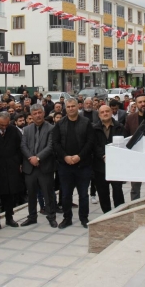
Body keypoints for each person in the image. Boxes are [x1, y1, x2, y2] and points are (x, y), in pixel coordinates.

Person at [52, 98, 95, 229]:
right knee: (65, 194)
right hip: (65, 166)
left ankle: (84, 218)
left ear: (78, 107)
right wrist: (65, 157)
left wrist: (79, 157)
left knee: (83, 194)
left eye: (73, 106)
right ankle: (67, 218)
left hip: (83, 165)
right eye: (68, 106)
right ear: (66, 108)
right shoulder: (60, 124)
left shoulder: (86, 122)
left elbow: (90, 142)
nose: (71, 108)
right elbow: (56, 143)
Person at [20, 104, 58, 227]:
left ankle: (51, 216)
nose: (37, 115)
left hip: (44, 166)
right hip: (30, 167)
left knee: (48, 193)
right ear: (31, 115)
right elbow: (23, 146)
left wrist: (38, 158)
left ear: (43, 113)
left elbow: (51, 146)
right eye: (35, 113)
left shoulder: (51, 128)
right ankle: (32, 216)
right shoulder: (26, 129)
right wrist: (31, 158)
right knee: (31, 194)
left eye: (39, 113)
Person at [0, 111, 24, 229]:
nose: (4, 127)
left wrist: (19, 162)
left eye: (6, 125)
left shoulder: (13, 130)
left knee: (10, 194)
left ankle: (9, 218)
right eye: (1, 125)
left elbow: (19, 148)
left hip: (11, 167)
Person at [92, 105, 125, 213]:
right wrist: (103, 155)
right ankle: (107, 214)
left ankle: (119, 213)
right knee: (102, 193)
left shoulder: (119, 127)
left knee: (118, 191)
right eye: (102, 112)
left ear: (111, 112)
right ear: (99, 115)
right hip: (100, 166)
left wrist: (112, 155)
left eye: (107, 111)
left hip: (116, 166)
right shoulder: (94, 129)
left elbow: (123, 144)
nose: (105, 113)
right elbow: (94, 145)